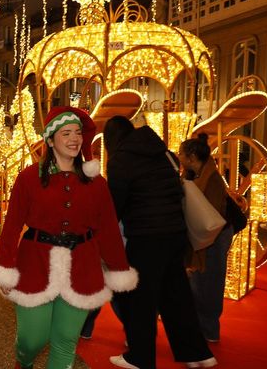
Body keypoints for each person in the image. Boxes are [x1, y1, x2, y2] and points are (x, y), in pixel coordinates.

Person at [0, 106, 137, 369]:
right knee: (33, 338)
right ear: (50, 139)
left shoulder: (97, 183)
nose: (74, 139)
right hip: (35, 264)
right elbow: (11, 227)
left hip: (83, 267)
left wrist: (118, 269)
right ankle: (24, 360)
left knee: (65, 340)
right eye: (66, 133)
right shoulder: (29, 178)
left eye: (77, 133)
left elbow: (109, 229)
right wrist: (6, 266)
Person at [102, 116, 217, 369]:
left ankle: (140, 357)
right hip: (175, 233)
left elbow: (115, 206)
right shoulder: (162, 152)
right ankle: (198, 353)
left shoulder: (121, 160)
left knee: (140, 298)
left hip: (146, 237)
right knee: (177, 295)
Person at [179, 133, 231, 343]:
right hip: (203, 235)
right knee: (199, 282)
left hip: (214, 236)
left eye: (181, 153)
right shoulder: (196, 175)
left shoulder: (212, 179)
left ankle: (209, 330)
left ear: (191, 157)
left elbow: (213, 216)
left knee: (208, 283)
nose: (178, 156)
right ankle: (201, 327)